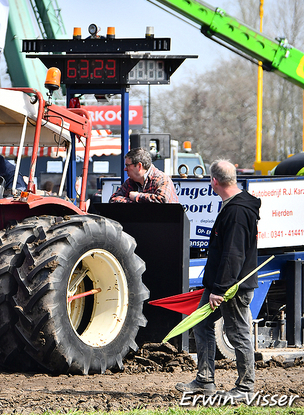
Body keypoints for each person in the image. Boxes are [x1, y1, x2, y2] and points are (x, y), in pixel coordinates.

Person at [175, 160, 261, 401]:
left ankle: (245, 388)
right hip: (219, 284)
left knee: (238, 334)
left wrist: (220, 289)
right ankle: (205, 379)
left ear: (214, 181)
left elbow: (233, 254)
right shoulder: (235, 205)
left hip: (232, 286)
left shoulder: (236, 211)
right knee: (201, 324)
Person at [109, 147, 179, 203]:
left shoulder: (161, 178)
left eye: (128, 165)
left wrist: (137, 196)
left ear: (139, 166)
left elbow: (163, 200)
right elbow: (113, 200)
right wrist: (135, 202)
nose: (125, 169)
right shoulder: (130, 182)